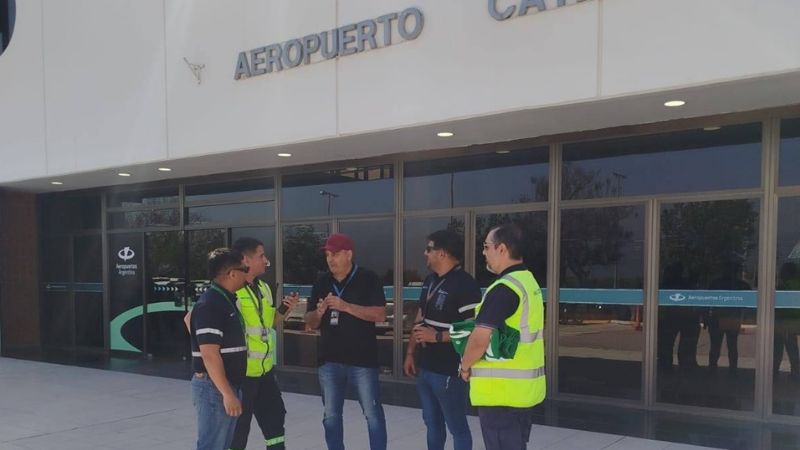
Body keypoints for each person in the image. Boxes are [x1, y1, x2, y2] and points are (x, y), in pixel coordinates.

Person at [459, 224, 545, 450]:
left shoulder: (504, 288)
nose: (483, 252)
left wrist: (465, 366)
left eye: (486, 246)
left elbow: (480, 338)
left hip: (501, 396)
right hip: (521, 395)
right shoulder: (528, 281)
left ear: (502, 249)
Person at [304, 233, 388, 450]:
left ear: (349, 254)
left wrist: (346, 306)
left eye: (336, 254)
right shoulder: (322, 282)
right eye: (328, 255)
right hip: (329, 361)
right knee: (331, 416)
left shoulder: (368, 278)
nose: (331, 259)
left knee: (372, 414)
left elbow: (380, 314)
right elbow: (310, 322)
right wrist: (319, 312)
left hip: (363, 362)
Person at [404, 230, 480, 450]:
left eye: (429, 249)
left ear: (443, 253)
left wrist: (436, 336)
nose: (424, 253)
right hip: (426, 368)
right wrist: (410, 352)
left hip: (449, 372)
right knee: (432, 424)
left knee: (458, 429)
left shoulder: (465, 284)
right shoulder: (429, 281)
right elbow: (420, 318)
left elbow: (474, 331)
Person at [228, 237, 299, 450]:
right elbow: (197, 323)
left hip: (266, 374)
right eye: (261, 256)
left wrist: (285, 309)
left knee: (275, 423)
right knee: (238, 432)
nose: (266, 260)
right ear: (245, 260)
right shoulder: (231, 291)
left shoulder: (265, 288)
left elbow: (271, 323)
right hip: (242, 377)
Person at [189, 248, 249, 450]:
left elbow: (189, 320)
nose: (247, 273)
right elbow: (209, 354)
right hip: (214, 388)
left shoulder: (223, 300)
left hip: (224, 385)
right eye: (244, 269)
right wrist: (227, 394)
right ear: (232, 273)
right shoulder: (212, 303)